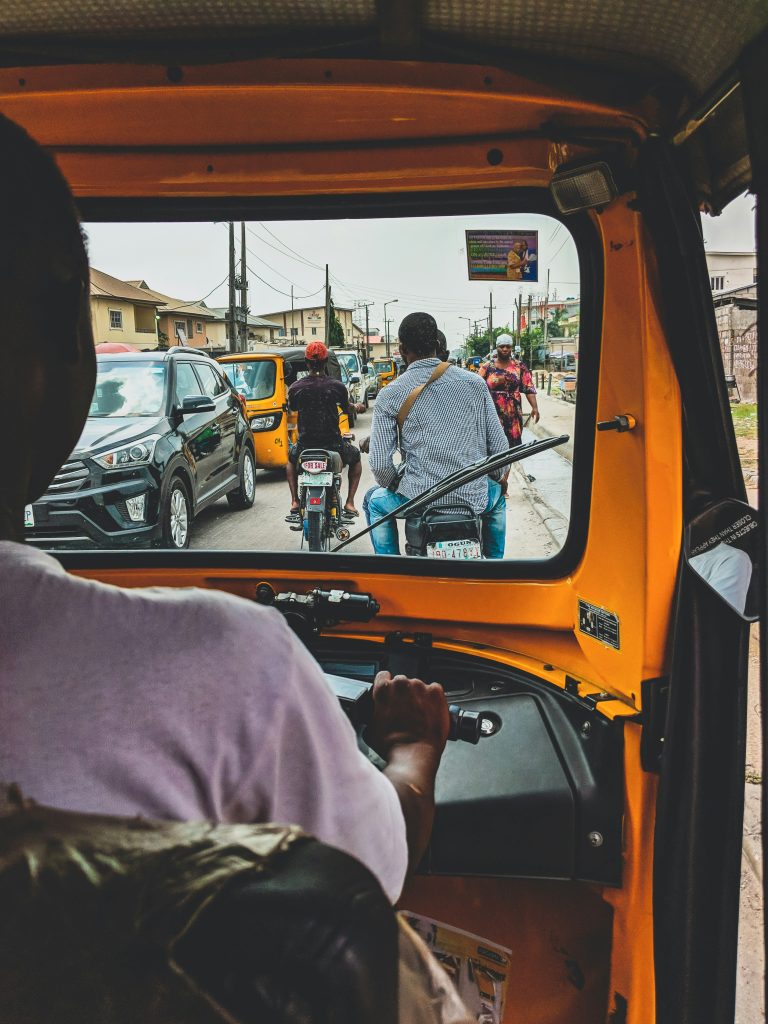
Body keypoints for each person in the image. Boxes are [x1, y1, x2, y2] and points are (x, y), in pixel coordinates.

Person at [0, 112, 451, 909]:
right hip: (346, 476)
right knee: (353, 473)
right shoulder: (225, 666)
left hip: (309, 457)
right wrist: (413, 743)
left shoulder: (300, 386)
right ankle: (339, 509)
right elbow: (374, 871)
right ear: (67, 329)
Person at [367, 312, 509, 558]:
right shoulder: (474, 384)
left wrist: (400, 486)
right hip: (471, 497)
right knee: (497, 502)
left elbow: (380, 465)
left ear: (401, 349)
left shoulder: (390, 394)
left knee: (376, 504)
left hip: (418, 500)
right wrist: (496, 478)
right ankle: (494, 569)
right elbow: (500, 450)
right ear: (437, 344)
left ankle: (392, 570)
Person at [284, 340, 362, 522]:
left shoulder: (296, 387)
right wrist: (357, 407)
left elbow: (292, 408)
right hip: (333, 444)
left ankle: (295, 501)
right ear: (326, 361)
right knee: (356, 458)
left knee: (290, 460)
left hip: (305, 445)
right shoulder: (337, 387)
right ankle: (349, 502)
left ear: (307, 362)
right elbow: (347, 407)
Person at [478, 333, 540, 447]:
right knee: (494, 444)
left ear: (511, 348)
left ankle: (510, 465)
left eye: (508, 346)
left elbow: (529, 387)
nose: (505, 349)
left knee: (513, 445)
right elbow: (476, 388)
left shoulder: (519, 366)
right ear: (497, 348)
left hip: (513, 413)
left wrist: (535, 407)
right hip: (492, 412)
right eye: (502, 346)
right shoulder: (487, 367)